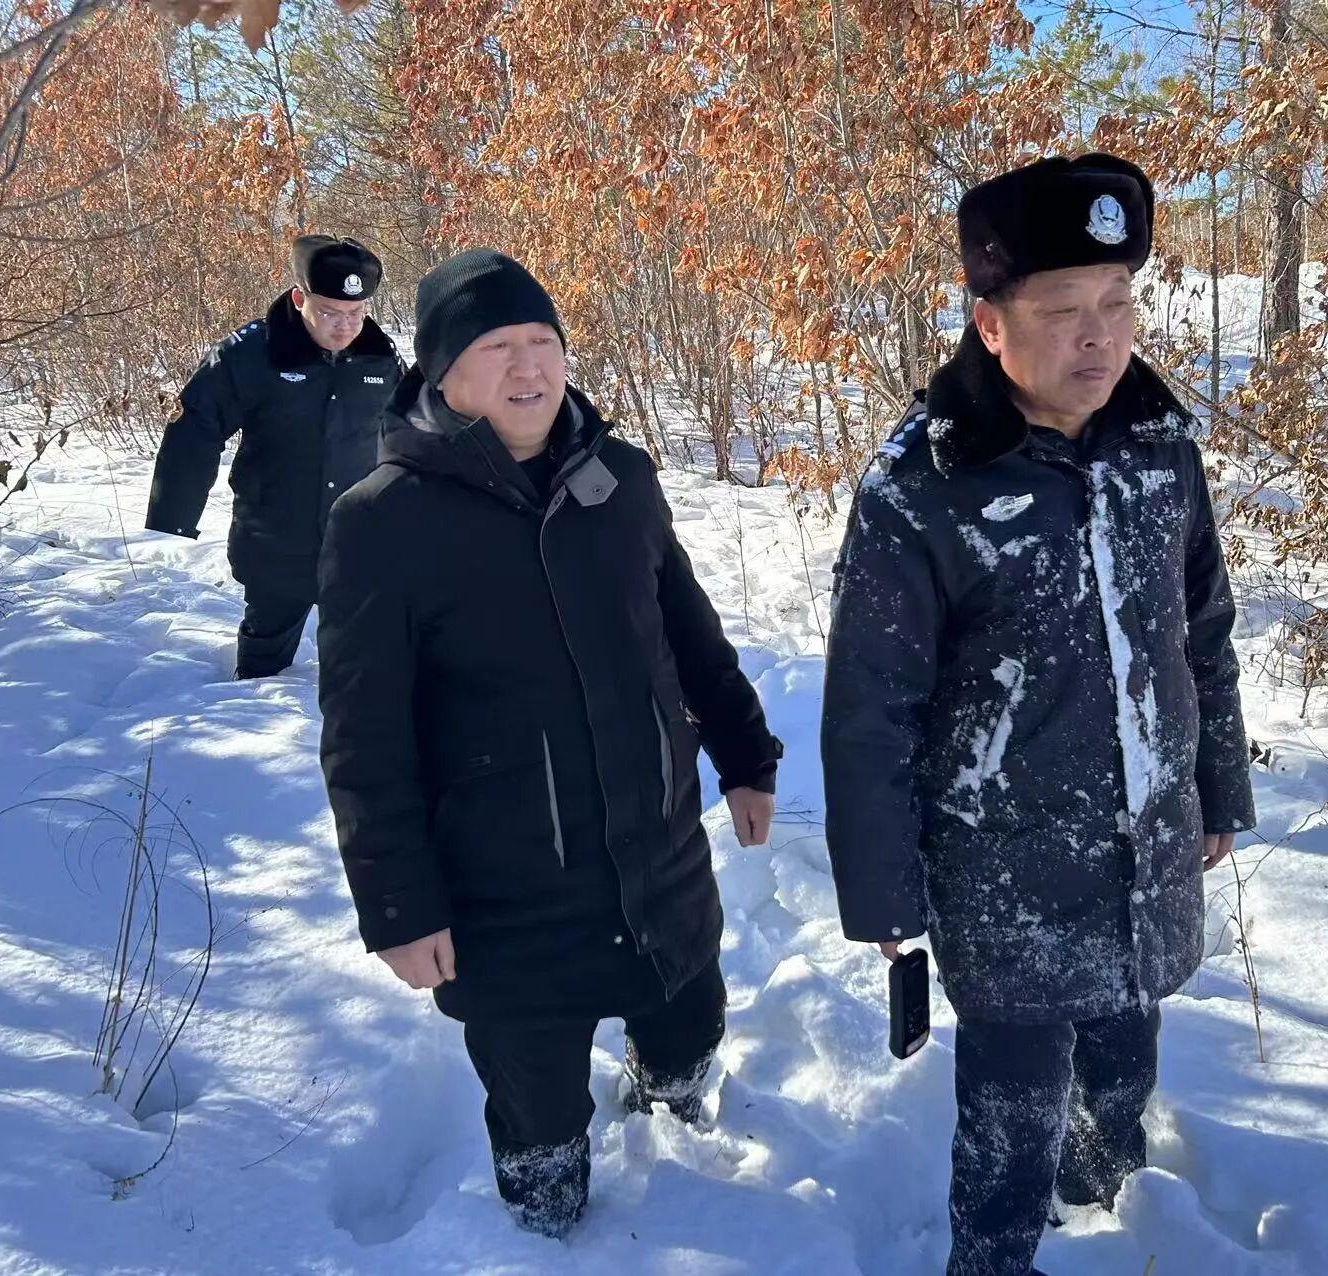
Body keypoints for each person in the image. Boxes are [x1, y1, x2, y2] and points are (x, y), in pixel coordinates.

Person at [821, 154, 1256, 1276]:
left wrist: (1215, 785)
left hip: (1144, 851)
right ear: (991, 322)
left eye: (1117, 302)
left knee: (1120, 1073)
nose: (1099, 337)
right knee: (1011, 1124)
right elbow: (870, 706)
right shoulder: (922, 484)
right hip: (1003, 872)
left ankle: (1107, 1207)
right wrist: (883, 890)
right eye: (1063, 310)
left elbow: (1201, 629)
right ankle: (995, 1259)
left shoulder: (1158, 447)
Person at [316, 248, 782, 1238]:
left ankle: (673, 1120)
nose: (530, 365)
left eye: (543, 340)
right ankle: (544, 1230)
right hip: (507, 897)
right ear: (443, 371)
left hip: (659, 859)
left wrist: (746, 755)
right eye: (498, 346)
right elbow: (365, 737)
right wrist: (397, 905)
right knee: (539, 1119)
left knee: (688, 1033)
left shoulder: (620, 479)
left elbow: (688, 633)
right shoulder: (382, 523)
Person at [145, 235, 400, 679]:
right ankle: (251, 697)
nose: (345, 327)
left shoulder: (379, 356)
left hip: (359, 537)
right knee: (265, 655)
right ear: (300, 299)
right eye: (330, 312)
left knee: (368, 658)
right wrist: (173, 514)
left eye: (356, 313)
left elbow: (410, 431)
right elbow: (196, 427)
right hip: (276, 537)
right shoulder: (250, 353)